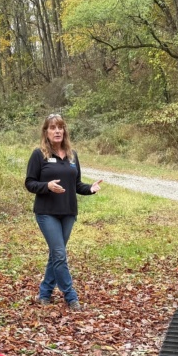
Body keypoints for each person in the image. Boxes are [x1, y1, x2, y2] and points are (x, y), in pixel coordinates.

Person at [24, 114, 102, 311]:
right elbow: (30, 183)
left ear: (64, 131)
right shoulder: (39, 155)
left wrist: (90, 188)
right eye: (52, 127)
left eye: (60, 127)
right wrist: (47, 186)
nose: (57, 131)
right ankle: (71, 296)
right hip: (46, 213)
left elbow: (76, 184)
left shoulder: (72, 155)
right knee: (59, 254)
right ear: (46, 132)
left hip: (68, 213)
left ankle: (44, 293)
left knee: (55, 255)